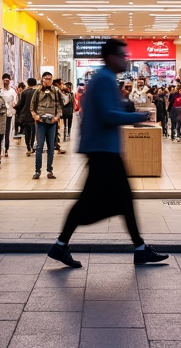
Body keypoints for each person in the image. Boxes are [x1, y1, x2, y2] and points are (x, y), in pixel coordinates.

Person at [47, 39, 168, 269]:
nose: (126, 59)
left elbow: (107, 112)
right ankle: (63, 243)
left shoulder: (104, 79)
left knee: (120, 199)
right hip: (103, 150)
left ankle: (138, 247)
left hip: (103, 148)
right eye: (123, 55)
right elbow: (107, 115)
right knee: (102, 202)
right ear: (112, 57)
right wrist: (139, 117)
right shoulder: (103, 79)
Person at [31, 72, 63, 179]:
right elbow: (32, 107)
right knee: (39, 146)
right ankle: (37, 170)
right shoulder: (37, 91)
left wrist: (56, 118)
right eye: (46, 79)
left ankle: (49, 170)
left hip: (52, 123)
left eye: (50, 79)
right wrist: (36, 116)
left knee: (51, 147)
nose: (48, 81)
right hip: (40, 123)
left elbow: (59, 107)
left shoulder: (55, 91)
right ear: (42, 79)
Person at [16, 78, 37, 156]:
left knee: (27, 132)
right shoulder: (38, 92)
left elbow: (20, 104)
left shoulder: (23, 93)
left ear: (28, 83)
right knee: (34, 131)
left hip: (25, 115)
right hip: (35, 115)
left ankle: (28, 147)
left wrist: (18, 113)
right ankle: (33, 146)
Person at [0, 73, 18, 157]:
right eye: (4, 81)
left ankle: (6, 148)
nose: (6, 82)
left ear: (10, 81)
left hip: (9, 114)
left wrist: (14, 105)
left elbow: (15, 101)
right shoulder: (0, 91)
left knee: (7, 132)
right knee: (0, 131)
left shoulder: (12, 91)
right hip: (0, 114)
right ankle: (0, 148)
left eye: (7, 81)